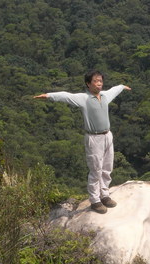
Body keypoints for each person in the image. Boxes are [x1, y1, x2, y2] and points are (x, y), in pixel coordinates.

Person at [34, 70, 131, 214]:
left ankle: (105, 195)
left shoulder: (104, 96)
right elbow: (66, 96)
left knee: (107, 166)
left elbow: (114, 90)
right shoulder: (83, 98)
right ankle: (95, 200)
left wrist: (122, 86)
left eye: (100, 81)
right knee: (95, 169)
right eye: (96, 81)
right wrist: (49, 96)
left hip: (107, 135)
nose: (99, 84)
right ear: (88, 84)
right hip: (93, 137)